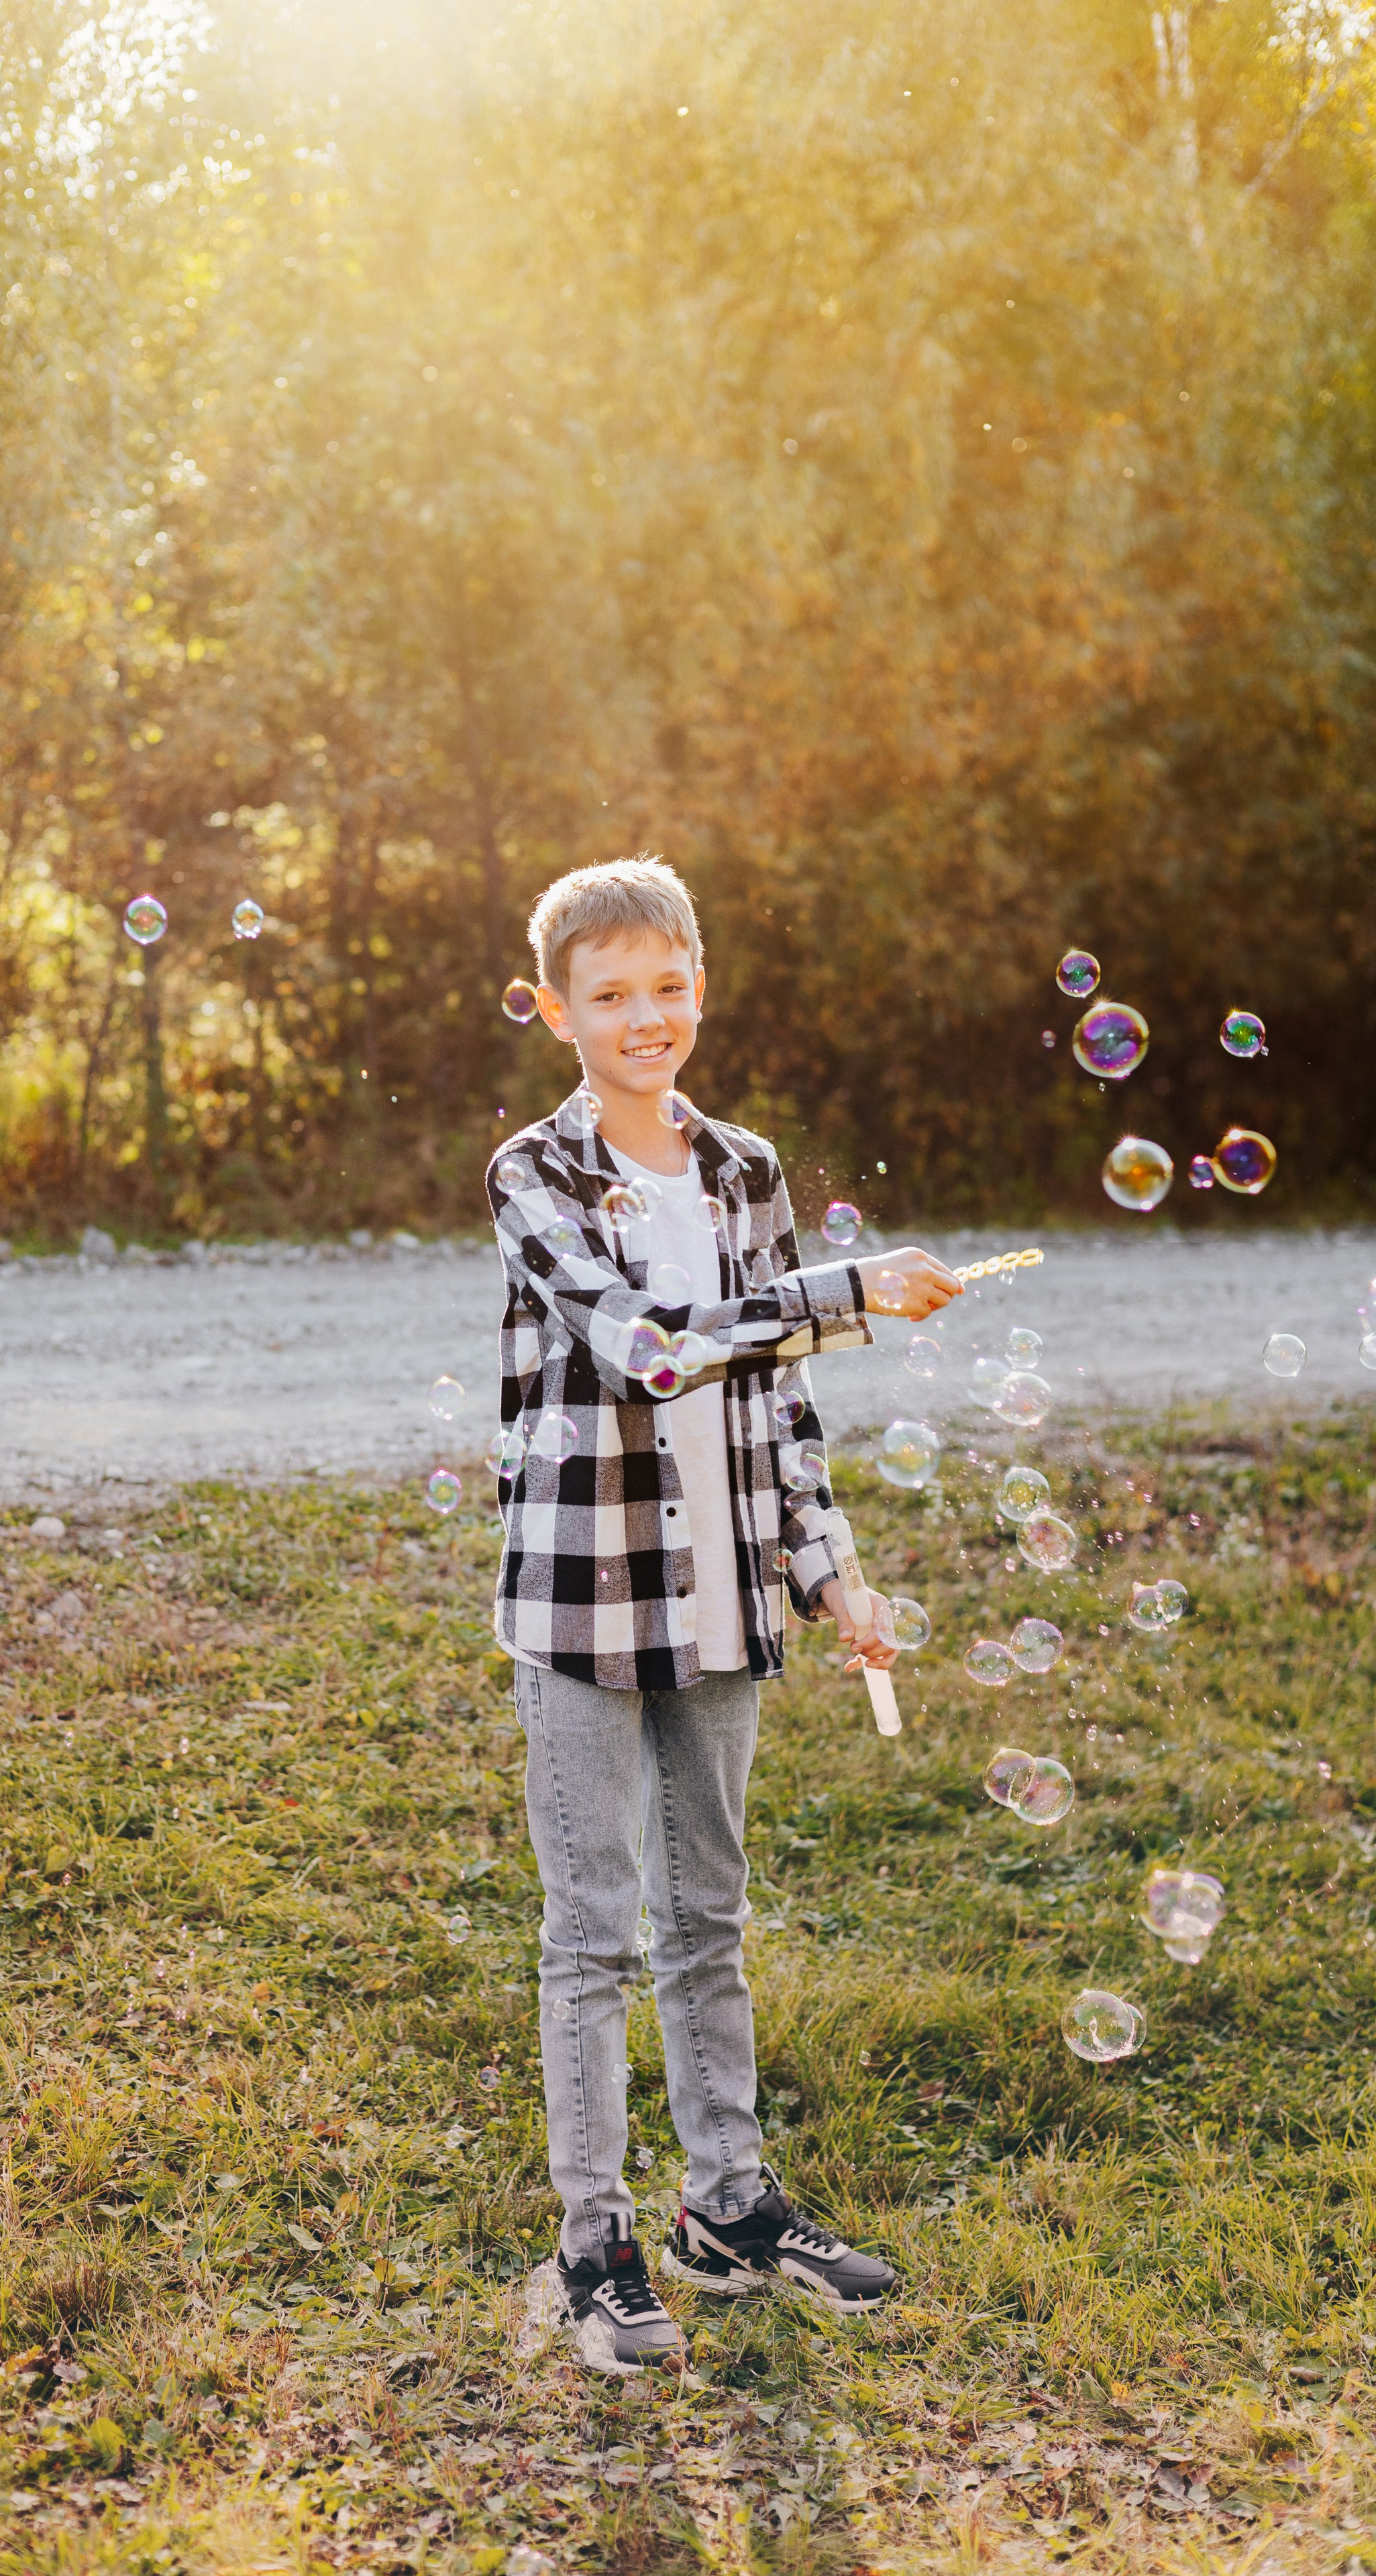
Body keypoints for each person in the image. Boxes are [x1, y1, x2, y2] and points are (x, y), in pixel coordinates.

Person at [486, 854, 961, 2376]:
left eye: (669, 986)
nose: (646, 1017)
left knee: (708, 1920)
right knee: (592, 1934)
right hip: (583, 1604)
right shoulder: (533, 1175)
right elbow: (646, 1351)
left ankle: (729, 2208)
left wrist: (828, 1574)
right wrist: (843, 1290)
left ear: (702, 985)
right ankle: (592, 2241)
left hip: (722, 1596)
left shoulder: (745, 1170)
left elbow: (783, 1410)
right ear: (555, 1008)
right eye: (611, 994)